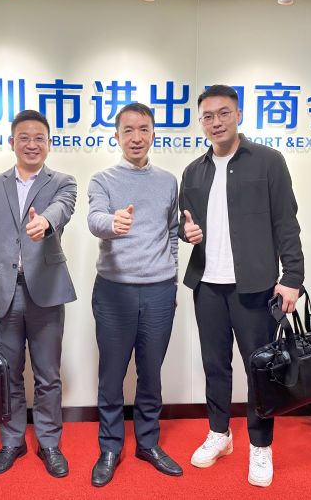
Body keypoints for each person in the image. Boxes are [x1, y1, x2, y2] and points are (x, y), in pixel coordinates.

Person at [179, 84, 304, 487]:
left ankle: (261, 445)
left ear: (238, 115)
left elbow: (286, 222)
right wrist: (185, 232)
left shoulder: (268, 161)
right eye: (208, 116)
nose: (215, 122)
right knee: (214, 365)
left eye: (223, 113)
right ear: (201, 121)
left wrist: (292, 277)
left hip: (254, 286)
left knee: (259, 370)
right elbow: (184, 223)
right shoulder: (193, 171)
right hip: (207, 285)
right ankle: (220, 433)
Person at [0, 109, 77, 478]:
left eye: (39, 138)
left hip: (46, 291)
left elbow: (62, 210)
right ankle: (11, 441)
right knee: (8, 374)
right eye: (24, 138)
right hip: (3, 293)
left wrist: (45, 221)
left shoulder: (63, 182)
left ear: (49, 143)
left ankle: (49, 443)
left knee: (48, 375)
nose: (32, 144)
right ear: (12, 142)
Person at [87, 102, 182, 487]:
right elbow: (95, 219)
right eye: (128, 130)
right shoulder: (103, 180)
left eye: (143, 129)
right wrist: (114, 222)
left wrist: (172, 277)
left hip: (159, 291)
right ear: (117, 137)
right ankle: (110, 447)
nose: (136, 137)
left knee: (151, 374)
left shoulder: (168, 181)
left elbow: (172, 232)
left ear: (153, 134)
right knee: (111, 376)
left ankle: (148, 443)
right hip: (115, 292)